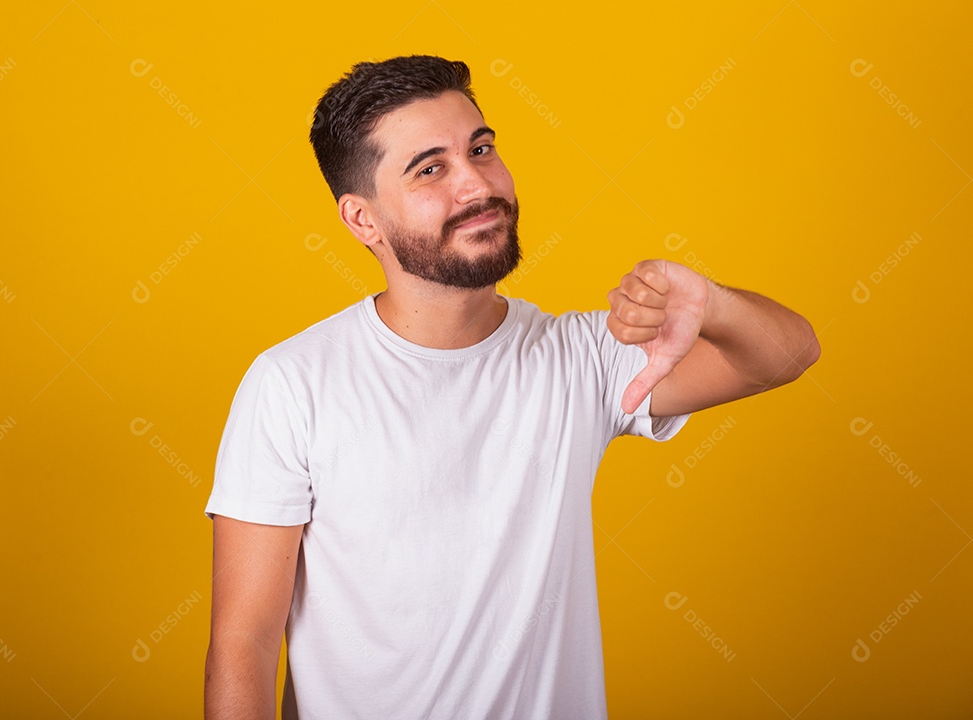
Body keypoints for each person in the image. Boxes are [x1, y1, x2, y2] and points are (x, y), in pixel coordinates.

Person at [203, 55, 820, 719]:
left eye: (482, 148)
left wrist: (714, 304)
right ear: (362, 220)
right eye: (430, 168)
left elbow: (786, 355)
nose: (476, 184)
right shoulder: (293, 384)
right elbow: (244, 644)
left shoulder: (580, 358)